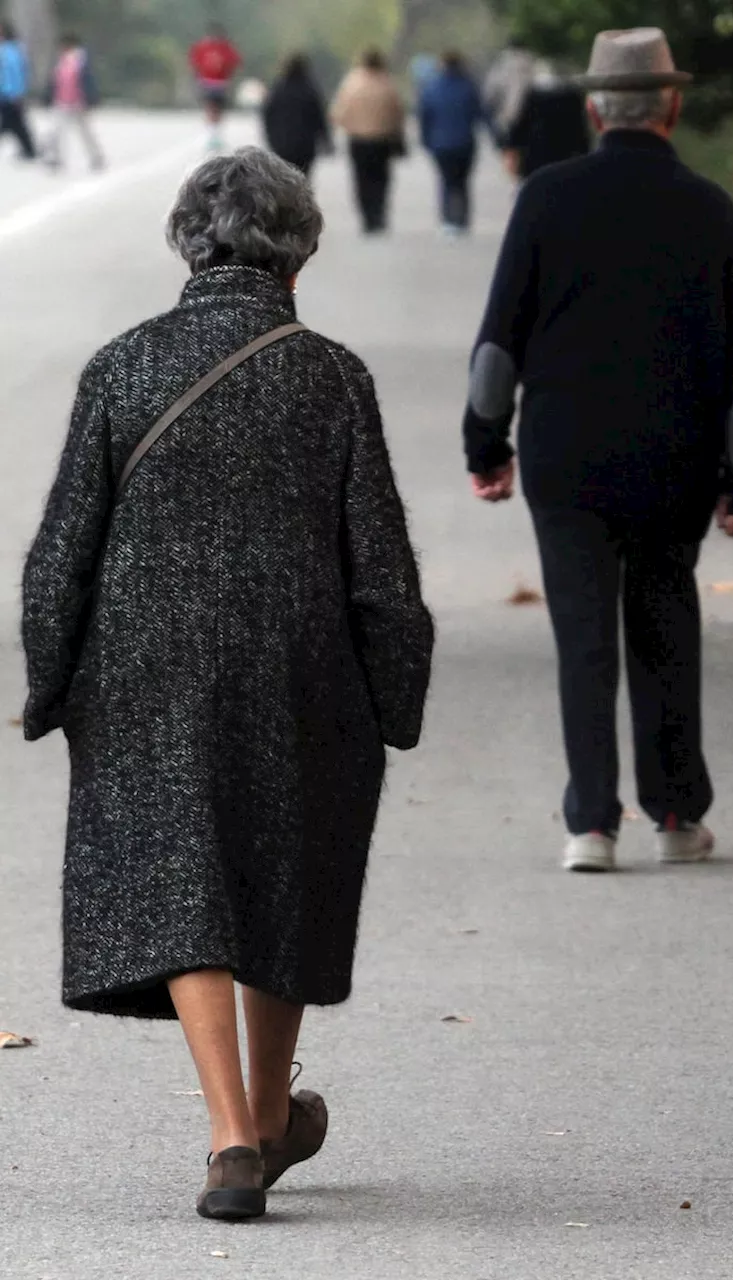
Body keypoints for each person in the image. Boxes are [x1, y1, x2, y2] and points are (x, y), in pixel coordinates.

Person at [22, 146, 434, 1221]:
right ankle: (262, 1108)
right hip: (299, 665)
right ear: (298, 250)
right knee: (279, 868)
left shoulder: (123, 365)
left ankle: (233, 1136)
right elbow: (378, 563)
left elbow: (65, 545)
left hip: (144, 667)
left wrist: (51, 676)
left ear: (186, 242)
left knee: (186, 881)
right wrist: (394, 694)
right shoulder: (330, 373)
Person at [463, 28, 733, 873]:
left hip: (567, 456)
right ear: (671, 105)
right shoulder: (707, 207)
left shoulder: (546, 197)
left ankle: (592, 826)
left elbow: (500, 344)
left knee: (583, 634)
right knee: (666, 618)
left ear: (596, 107)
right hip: (676, 456)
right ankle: (676, 815)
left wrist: (486, 444)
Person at [330, 49, 405, 234]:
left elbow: (338, 112)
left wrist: (350, 125)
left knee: (361, 180)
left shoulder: (352, 82)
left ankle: (367, 217)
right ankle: (379, 213)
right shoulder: (387, 82)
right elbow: (398, 111)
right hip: (382, 140)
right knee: (381, 179)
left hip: (358, 140)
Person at [417, 50, 487, 236]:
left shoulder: (431, 87)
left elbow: (425, 116)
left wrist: (424, 140)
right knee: (462, 183)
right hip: (465, 143)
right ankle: (462, 219)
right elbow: (480, 113)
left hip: (440, 144)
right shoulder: (469, 86)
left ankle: (448, 220)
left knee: (446, 181)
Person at [500, 61, 590, 182]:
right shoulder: (572, 96)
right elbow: (581, 132)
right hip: (566, 158)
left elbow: (520, 126)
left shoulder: (533, 95)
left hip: (536, 160)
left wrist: (511, 149)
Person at [262, 53, 330, 178]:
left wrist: (271, 139)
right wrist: (326, 140)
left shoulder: (278, 89)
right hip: (305, 146)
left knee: (283, 179)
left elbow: (267, 116)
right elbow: (319, 117)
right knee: (303, 179)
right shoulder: (310, 89)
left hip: (282, 145)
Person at [43, 33, 105, 172]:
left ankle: (96, 156)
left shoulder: (82, 60)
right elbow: (55, 81)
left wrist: (90, 99)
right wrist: (49, 96)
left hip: (79, 102)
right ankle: (55, 158)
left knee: (86, 132)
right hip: (61, 101)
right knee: (55, 130)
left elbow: (88, 81)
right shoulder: (61, 61)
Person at [189, 22, 242, 150]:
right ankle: (210, 134)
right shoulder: (202, 47)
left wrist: (229, 76)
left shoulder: (226, 48)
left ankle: (216, 134)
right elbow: (194, 62)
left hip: (221, 83)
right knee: (209, 107)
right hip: (207, 82)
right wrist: (198, 76)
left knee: (219, 109)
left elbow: (235, 62)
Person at [0, 21, 36, 160]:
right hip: (6, 94)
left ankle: (30, 150)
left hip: (10, 94)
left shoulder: (11, 51)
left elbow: (17, 74)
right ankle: (30, 149)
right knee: (17, 124)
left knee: (12, 123)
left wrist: (17, 93)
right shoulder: (7, 49)